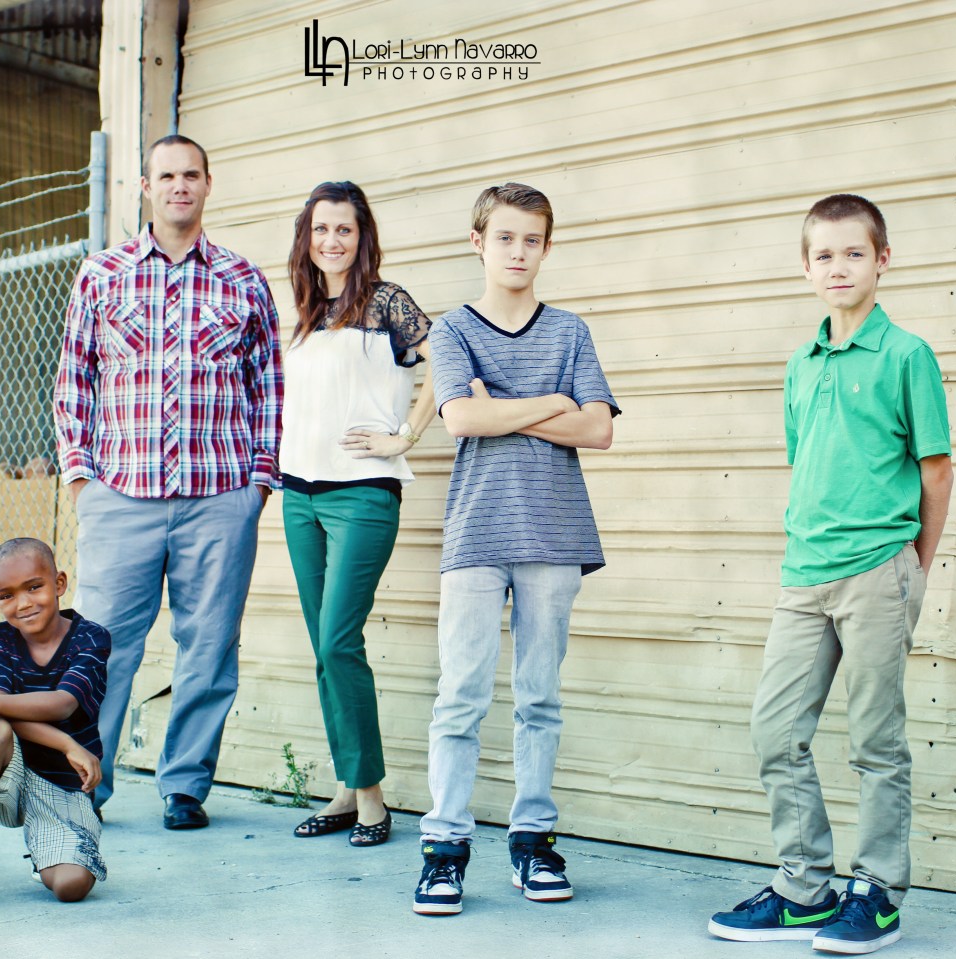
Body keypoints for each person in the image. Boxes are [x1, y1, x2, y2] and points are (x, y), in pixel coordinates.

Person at [708, 194, 952, 954]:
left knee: (876, 741)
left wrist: (913, 568)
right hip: (804, 576)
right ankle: (804, 887)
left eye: (854, 252)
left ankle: (877, 892)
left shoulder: (906, 355)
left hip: (879, 570)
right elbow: (807, 461)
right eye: (824, 255)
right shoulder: (800, 365)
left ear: (883, 260)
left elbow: (936, 473)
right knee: (775, 732)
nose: (838, 266)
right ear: (806, 268)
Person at [53, 134, 282, 829]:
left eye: (191, 175)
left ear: (208, 184)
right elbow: (74, 380)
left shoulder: (244, 280)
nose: (180, 185)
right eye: (167, 175)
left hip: (220, 495)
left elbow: (268, 386)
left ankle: (185, 786)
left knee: (209, 645)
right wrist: (82, 479)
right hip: (120, 493)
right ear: (146, 187)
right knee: (100, 648)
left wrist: (258, 483)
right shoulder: (102, 274)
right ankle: (84, 785)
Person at [413, 183, 618, 915]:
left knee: (539, 697)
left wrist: (501, 406)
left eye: (532, 239)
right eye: (505, 237)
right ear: (479, 242)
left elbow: (599, 428)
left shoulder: (569, 332)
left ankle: (532, 841)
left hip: (555, 532)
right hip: (477, 532)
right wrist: (553, 403)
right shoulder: (452, 329)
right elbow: (460, 418)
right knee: (460, 696)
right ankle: (444, 849)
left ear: (547, 247)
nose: (518, 251)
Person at [280, 181, 435, 847]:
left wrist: (405, 436)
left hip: (362, 494)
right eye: (321, 228)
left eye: (344, 228)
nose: (332, 240)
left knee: (340, 640)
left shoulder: (386, 301)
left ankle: (371, 798)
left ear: (361, 235)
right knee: (325, 648)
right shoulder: (309, 311)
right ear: (307, 236)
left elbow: (448, 363)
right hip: (299, 495)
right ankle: (346, 788)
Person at [0, 538, 110, 907]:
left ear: (59, 583)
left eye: (34, 587)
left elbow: (62, 704)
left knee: (71, 887)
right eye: (7, 595)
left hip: (63, 784)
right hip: (6, 774)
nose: (24, 603)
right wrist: (66, 743)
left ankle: (46, 847)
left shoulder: (91, 638)